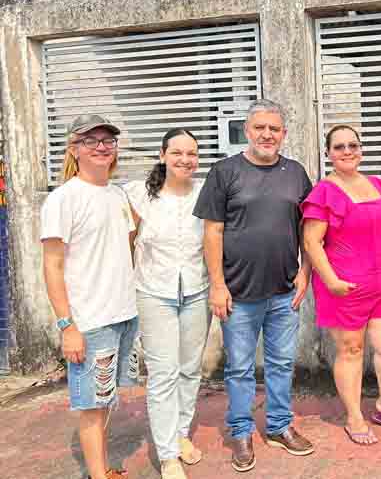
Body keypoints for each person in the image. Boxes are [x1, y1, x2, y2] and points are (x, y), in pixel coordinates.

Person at [193, 99, 315, 472]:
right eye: (259, 127)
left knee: (281, 364)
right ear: (247, 131)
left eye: (273, 129)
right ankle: (242, 431)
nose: (266, 135)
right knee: (240, 368)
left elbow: (308, 227)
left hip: (283, 291)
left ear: (283, 134)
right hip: (238, 293)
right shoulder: (224, 172)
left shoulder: (296, 173)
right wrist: (217, 284)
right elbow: (212, 231)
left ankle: (279, 425)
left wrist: (305, 272)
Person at [41, 115, 138, 479]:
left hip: (123, 314)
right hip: (90, 321)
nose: (101, 146)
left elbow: (124, 248)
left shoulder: (118, 195)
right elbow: (51, 266)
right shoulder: (63, 199)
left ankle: (103, 470)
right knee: (92, 407)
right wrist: (67, 325)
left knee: (106, 398)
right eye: (91, 140)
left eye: (108, 140)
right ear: (74, 149)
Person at [301, 125, 381, 445]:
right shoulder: (325, 191)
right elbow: (311, 241)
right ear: (329, 154)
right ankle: (354, 416)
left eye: (353, 145)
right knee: (351, 350)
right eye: (339, 147)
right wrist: (331, 281)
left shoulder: (377, 185)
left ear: (361, 149)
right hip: (344, 288)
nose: (347, 151)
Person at [124, 129, 209, 479]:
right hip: (153, 292)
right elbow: (126, 244)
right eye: (177, 153)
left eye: (192, 153)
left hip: (196, 290)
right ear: (162, 155)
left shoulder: (206, 194)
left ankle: (180, 433)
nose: (185, 160)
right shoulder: (136, 196)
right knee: (163, 374)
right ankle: (168, 455)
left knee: (190, 370)